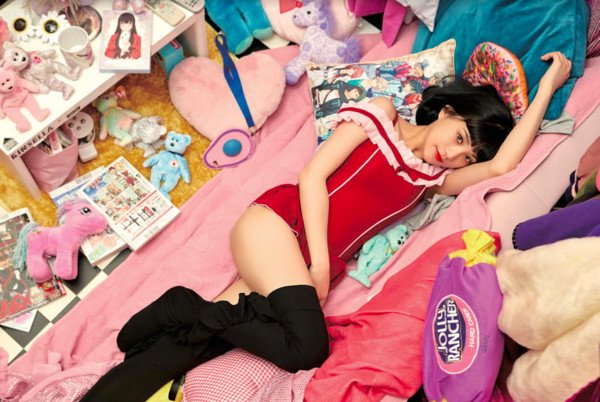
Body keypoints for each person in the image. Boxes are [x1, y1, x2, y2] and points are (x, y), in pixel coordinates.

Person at [82, 52, 571, 401]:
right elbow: (312, 176)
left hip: (298, 262)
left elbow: (501, 165)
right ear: (445, 111)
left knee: (195, 343)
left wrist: (547, 87)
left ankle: (134, 361)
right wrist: (319, 263)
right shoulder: (382, 115)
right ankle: (185, 304)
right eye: (461, 136)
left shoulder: (430, 180)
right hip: (278, 225)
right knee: (308, 348)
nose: (456, 153)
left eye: (467, 155)